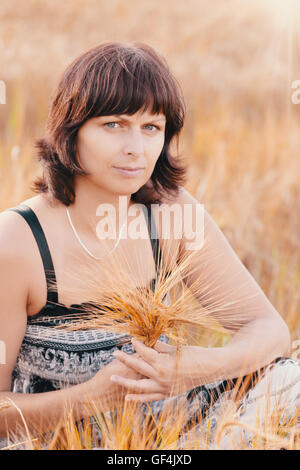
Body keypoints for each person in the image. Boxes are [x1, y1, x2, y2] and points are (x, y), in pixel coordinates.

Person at [0, 41, 299, 450]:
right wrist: (92, 398)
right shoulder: (17, 242)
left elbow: (269, 329)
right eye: (114, 125)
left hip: (168, 435)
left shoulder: (172, 215)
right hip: (54, 442)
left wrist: (193, 368)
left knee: (290, 384)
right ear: (71, 131)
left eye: (151, 128)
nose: (135, 149)